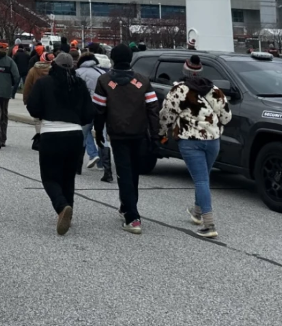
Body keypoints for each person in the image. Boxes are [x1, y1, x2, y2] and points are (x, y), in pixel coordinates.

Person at [159, 55, 231, 239]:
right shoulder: (214, 90)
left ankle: (209, 224)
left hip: (190, 140)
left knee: (200, 180)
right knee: (204, 178)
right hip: (213, 140)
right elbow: (226, 117)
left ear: (184, 70)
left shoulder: (179, 91)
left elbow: (166, 115)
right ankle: (197, 212)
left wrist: (161, 133)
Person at [93, 44, 161, 234]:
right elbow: (153, 110)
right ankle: (127, 207)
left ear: (113, 59)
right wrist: (155, 136)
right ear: (130, 59)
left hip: (117, 133)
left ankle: (133, 217)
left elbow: (99, 110)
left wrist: (99, 132)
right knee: (134, 173)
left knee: (124, 174)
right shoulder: (143, 81)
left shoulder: (104, 81)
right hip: (140, 133)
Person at [26, 53, 94, 236]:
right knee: (68, 176)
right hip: (75, 134)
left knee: (49, 177)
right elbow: (89, 113)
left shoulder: (44, 83)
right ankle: (67, 210)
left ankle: (62, 206)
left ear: (54, 65)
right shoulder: (79, 84)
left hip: (51, 133)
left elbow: (33, 107)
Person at [76, 50, 109, 171]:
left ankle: (90, 156)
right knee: (102, 133)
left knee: (84, 132)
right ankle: (105, 164)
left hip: (86, 107)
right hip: (102, 106)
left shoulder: (78, 73)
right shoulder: (102, 73)